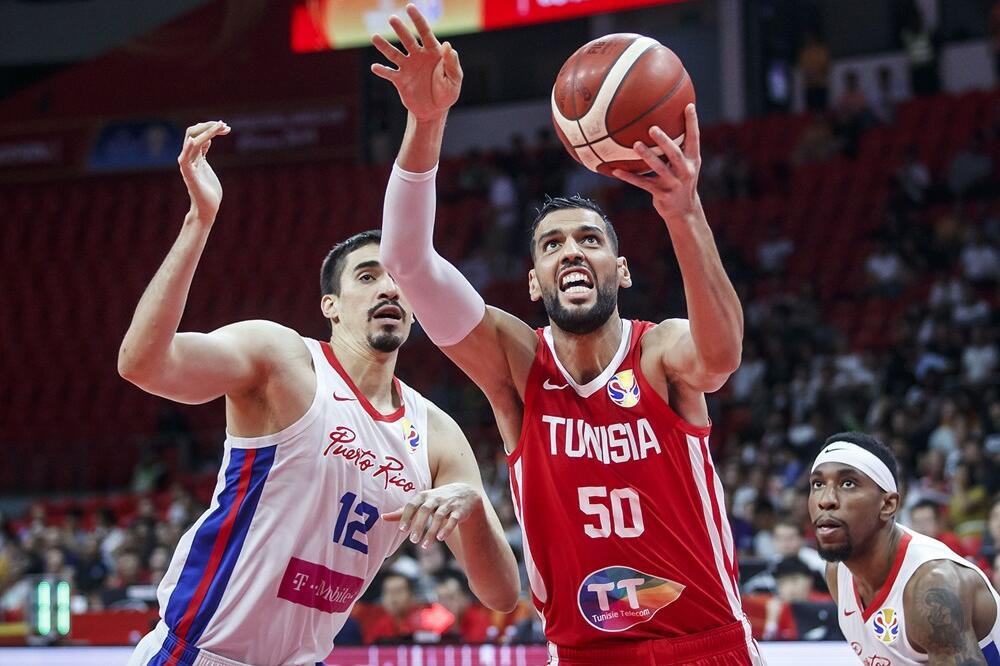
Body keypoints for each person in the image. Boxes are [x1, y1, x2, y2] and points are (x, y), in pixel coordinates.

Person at [372, 6, 762, 664]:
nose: (571, 252)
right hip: (583, 653)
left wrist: (681, 209)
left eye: (590, 239)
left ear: (623, 269)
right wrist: (427, 123)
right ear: (533, 281)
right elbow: (407, 262)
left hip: (700, 647)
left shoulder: (659, 350)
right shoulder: (516, 364)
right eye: (552, 244)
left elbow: (721, 357)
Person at [118, 121, 518, 666]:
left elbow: (501, 593)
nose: (390, 287)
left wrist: (471, 508)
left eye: (399, 275)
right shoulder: (283, 359)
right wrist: (198, 221)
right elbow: (142, 364)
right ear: (331, 305)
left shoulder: (437, 434)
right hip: (199, 655)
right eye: (368, 276)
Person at [809, 432, 1000, 665]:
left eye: (848, 483)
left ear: (888, 505)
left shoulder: (932, 585)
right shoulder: (838, 574)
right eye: (818, 484)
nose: (826, 499)